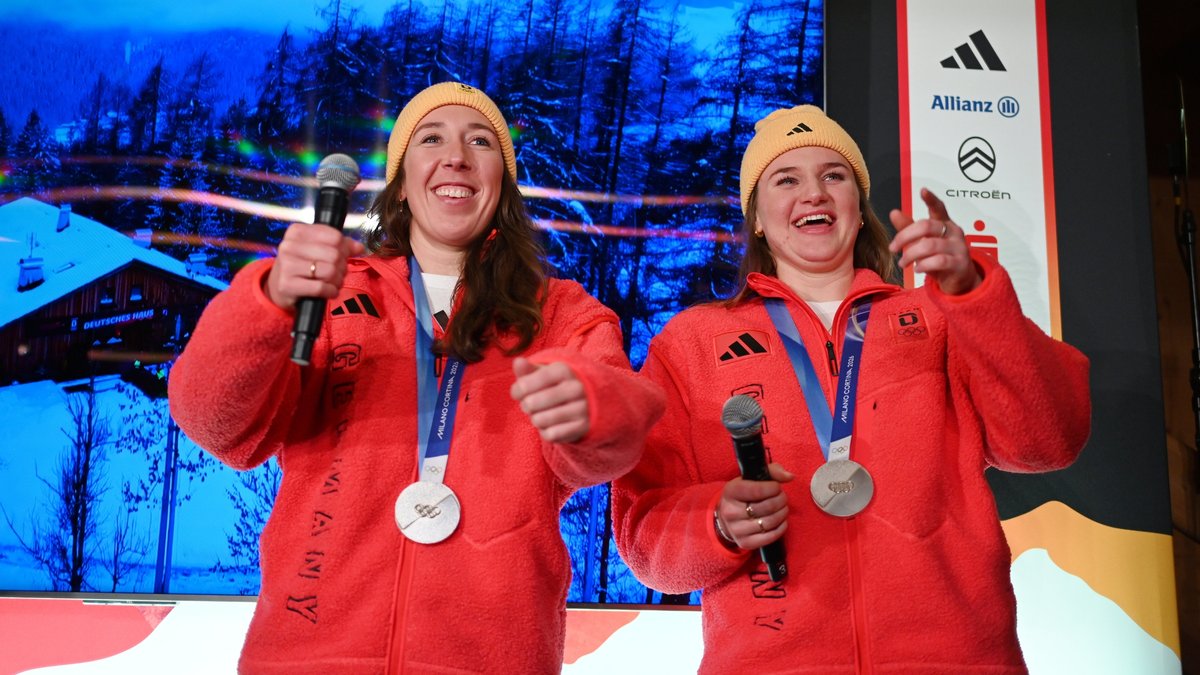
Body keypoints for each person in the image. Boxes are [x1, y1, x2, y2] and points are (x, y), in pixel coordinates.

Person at [169, 81, 664, 675]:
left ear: (501, 185)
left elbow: (619, 430)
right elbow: (216, 423)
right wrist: (267, 300)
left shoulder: (560, 313)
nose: (455, 155)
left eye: (480, 141)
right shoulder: (330, 293)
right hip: (308, 657)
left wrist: (593, 406)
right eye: (432, 138)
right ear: (402, 183)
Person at [611, 105, 1090, 673]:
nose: (813, 192)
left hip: (955, 658)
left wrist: (973, 295)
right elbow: (645, 538)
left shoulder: (938, 317)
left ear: (858, 213)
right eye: (786, 179)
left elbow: (1048, 442)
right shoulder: (692, 343)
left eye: (833, 176)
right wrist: (715, 522)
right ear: (757, 218)